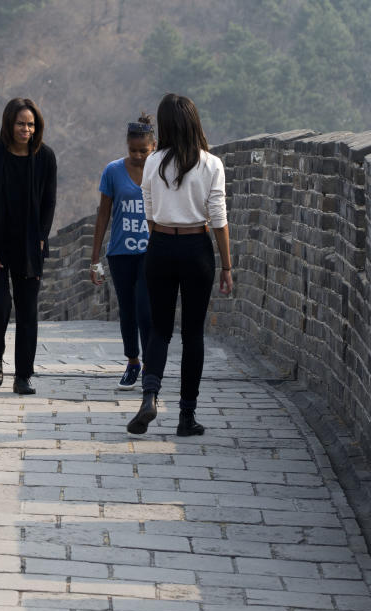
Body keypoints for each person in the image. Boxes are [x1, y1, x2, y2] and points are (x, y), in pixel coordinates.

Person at [126, 93, 233, 436]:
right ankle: (186, 417)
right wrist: (227, 266)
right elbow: (218, 218)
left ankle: (150, 395)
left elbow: (147, 210)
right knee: (192, 335)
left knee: (160, 329)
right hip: (196, 248)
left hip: (159, 245)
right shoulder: (211, 164)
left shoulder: (154, 161)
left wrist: (160, 237)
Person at [0, 97, 57, 395]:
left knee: (28, 310)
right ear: (9, 123)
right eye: (21, 123)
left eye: (31, 124)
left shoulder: (45, 158)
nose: (26, 129)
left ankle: (24, 375)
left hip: (29, 244)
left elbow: (48, 203)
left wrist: (41, 239)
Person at [90, 113, 156, 390]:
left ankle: (152, 366)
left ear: (154, 146)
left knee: (145, 309)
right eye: (133, 150)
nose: (139, 155)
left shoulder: (161, 170)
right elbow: (103, 214)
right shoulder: (113, 171)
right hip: (119, 253)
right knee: (127, 310)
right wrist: (95, 259)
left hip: (151, 251)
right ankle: (132, 362)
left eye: (144, 150)